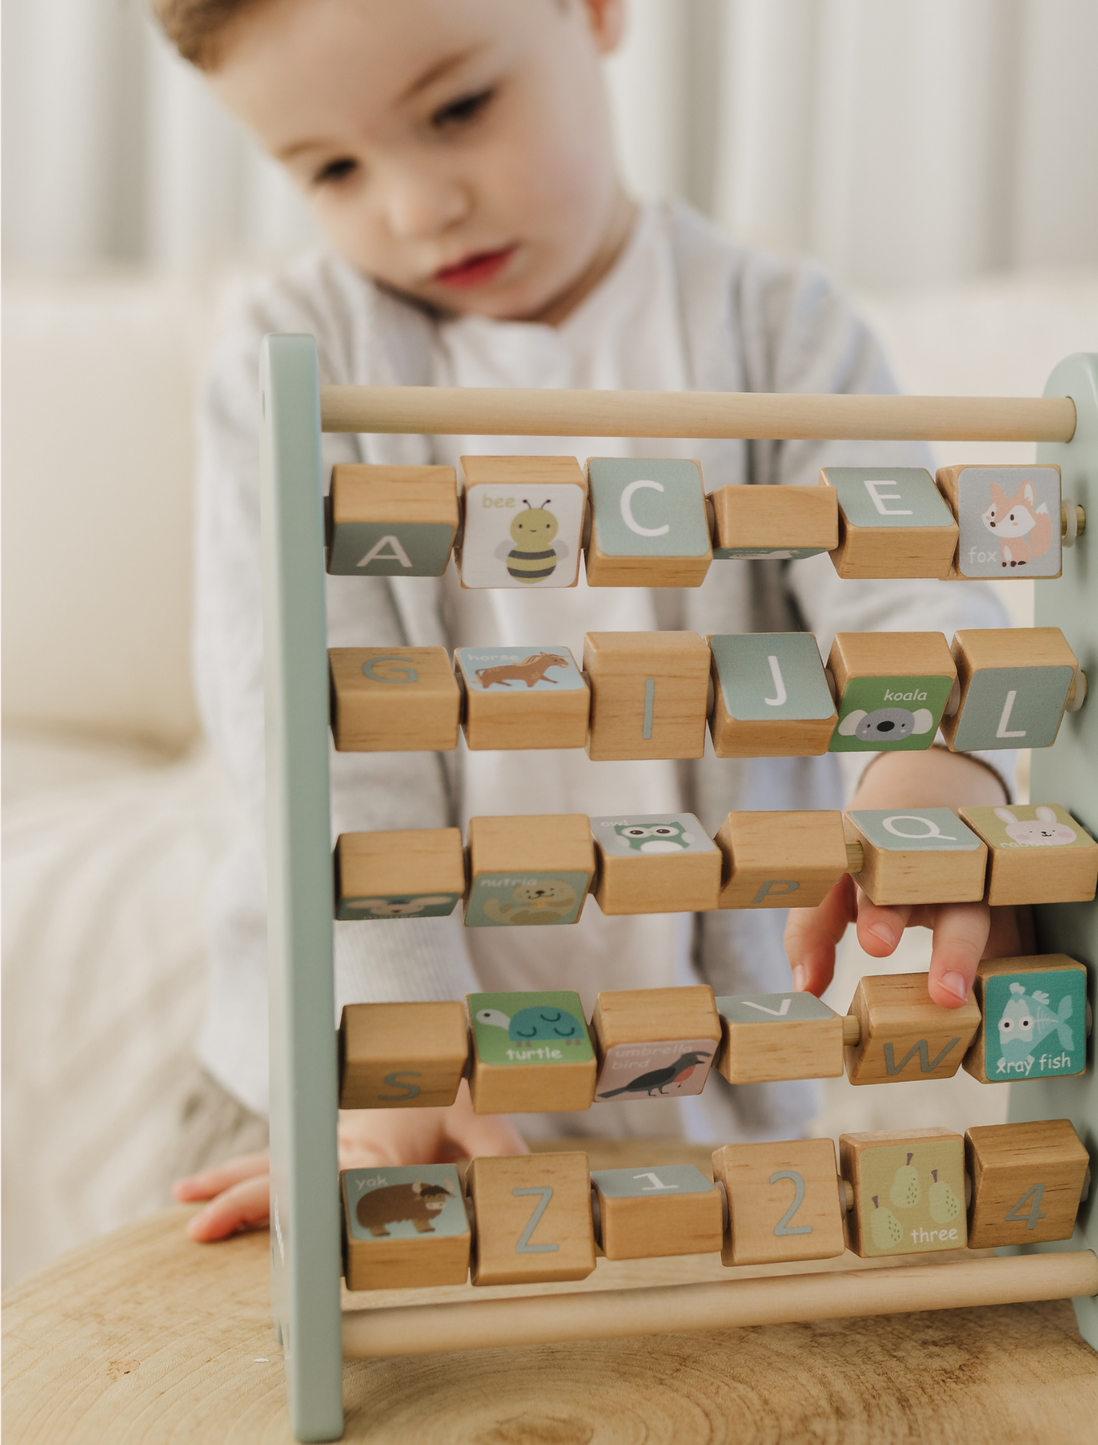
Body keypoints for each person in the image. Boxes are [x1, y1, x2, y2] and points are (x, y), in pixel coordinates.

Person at [160, 0, 1027, 1242]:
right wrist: (392, 1059)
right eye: (334, 168)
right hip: (359, 1066)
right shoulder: (286, 363)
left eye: (458, 109)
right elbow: (319, 742)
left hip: (696, 1086)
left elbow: (902, 588)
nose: (417, 207)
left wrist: (929, 759)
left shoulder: (778, 333)